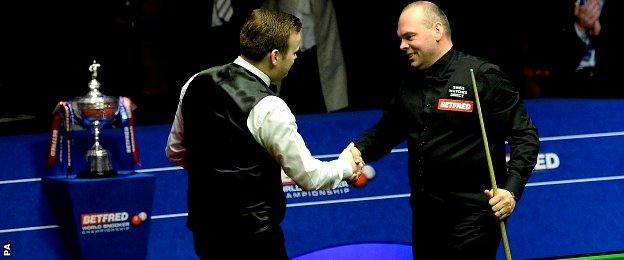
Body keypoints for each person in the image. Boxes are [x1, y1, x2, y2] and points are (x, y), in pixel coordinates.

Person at [164, 9, 362, 259]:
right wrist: (345, 167)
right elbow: (309, 177)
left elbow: (175, 152)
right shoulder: (270, 107)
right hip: (254, 238)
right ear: (275, 56)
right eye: (295, 52)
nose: (296, 58)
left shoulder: (194, 83)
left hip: (205, 232)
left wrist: (219, 170)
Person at [350, 2, 539, 259]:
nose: (402, 45)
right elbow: (386, 132)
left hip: (474, 216)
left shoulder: (481, 76)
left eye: (409, 37)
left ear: (437, 31)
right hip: (426, 217)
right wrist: (357, 151)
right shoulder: (409, 82)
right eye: (401, 38)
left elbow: (525, 136)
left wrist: (511, 190)